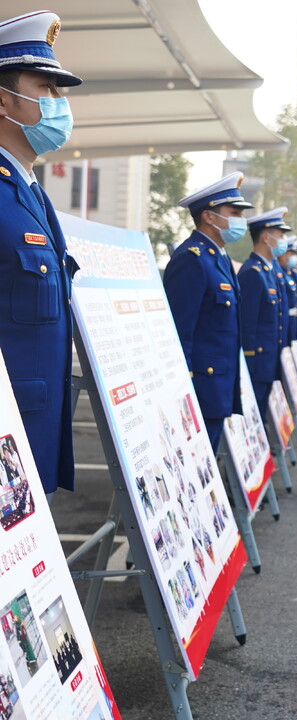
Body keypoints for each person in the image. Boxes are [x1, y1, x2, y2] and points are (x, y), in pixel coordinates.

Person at [0, 11, 81, 498]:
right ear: (3, 100)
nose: (58, 104)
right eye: (45, 89)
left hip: (34, 427)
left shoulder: (30, 192)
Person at [164, 172, 251, 452]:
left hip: (218, 386)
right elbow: (180, 333)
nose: (241, 221)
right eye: (234, 213)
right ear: (209, 217)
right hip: (200, 387)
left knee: (207, 461)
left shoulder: (219, 258)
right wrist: (183, 389)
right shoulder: (192, 259)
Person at [239, 207, 291, 419]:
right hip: (257, 363)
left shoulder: (267, 271)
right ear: (265, 237)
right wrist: (249, 362)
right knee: (253, 414)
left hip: (268, 361)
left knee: (260, 413)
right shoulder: (252, 272)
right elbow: (247, 324)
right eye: (280, 235)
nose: (283, 240)